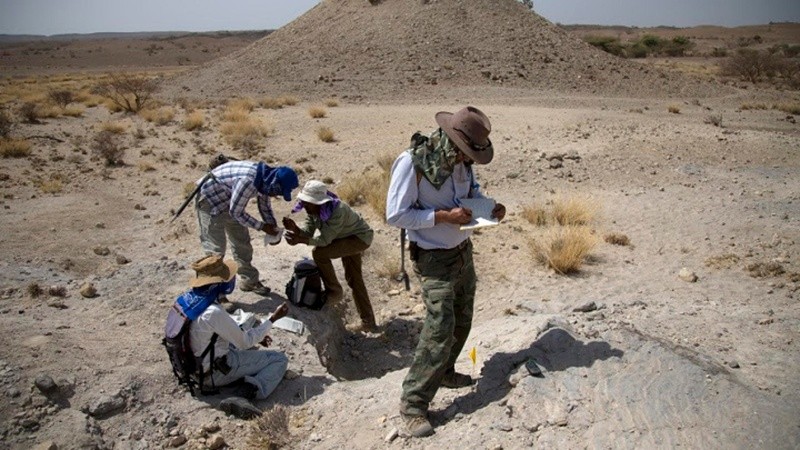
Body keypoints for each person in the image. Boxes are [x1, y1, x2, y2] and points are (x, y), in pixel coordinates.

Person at [385, 106, 506, 437]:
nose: (467, 159)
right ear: (453, 141)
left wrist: (490, 207)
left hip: (462, 252)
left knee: (463, 316)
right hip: (433, 257)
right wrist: (442, 218)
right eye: (466, 152)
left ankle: (446, 370)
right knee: (440, 326)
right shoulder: (413, 163)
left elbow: (471, 195)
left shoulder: (460, 164)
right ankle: (413, 404)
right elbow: (395, 214)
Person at [182, 254, 289, 418]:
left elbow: (215, 330)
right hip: (214, 373)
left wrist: (258, 336)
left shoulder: (187, 300)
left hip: (192, 366)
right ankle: (242, 396)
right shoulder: (213, 312)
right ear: (219, 283)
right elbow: (244, 342)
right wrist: (273, 319)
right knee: (278, 359)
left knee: (245, 336)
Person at [282, 180, 377, 331]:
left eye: (308, 203)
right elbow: (309, 232)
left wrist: (300, 240)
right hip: (343, 238)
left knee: (319, 253)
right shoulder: (314, 211)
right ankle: (368, 322)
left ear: (319, 203)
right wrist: (296, 230)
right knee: (354, 279)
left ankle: (334, 292)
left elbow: (324, 240)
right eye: (304, 202)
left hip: (359, 239)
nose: (305, 206)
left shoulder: (337, 211)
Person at [195, 160, 299, 296]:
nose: (275, 195)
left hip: (230, 201)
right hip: (209, 200)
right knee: (216, 250)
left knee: (241, 241)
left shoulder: (266, 180)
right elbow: (236, 213)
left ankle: (249, 281)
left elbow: (264, 207)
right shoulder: (249, 181)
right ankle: (215, 293)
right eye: (278, 192)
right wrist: (262, 227)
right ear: (275, 184)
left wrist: (273, 230)